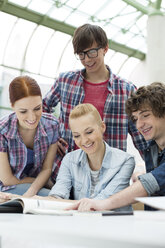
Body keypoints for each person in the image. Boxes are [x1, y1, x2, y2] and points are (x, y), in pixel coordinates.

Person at [43, 23, 147, 182]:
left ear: (105, 48)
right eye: (81, 54)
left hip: (108, 177)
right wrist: (52, 136)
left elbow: (142, 140)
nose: (86, 60)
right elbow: (42, 108)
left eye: (91, 52)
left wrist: (155, 175)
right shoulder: (65, 81)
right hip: (68, 173)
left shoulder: (127, 90)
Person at [0, 103, 135, 210]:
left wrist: (48, 201)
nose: (84, 140)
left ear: (102, 127)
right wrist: (15, 198)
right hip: (83, 226)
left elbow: (100, 204)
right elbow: (56, 197)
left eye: (89, 132)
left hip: (114, 228)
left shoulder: (125, 161)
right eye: (77, 135)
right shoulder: (70, 160)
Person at [67, 82, 165, 211]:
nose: (139, 125)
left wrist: (101, 204)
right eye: (135, 119)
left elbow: (151, 182)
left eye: (145, 116)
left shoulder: (126, 160)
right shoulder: (151, 148)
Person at [0, 76, 59, 197]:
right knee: (50, 197)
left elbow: (47, 169)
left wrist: (33, 190)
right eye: (23, 111)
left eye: (37, 108)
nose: (32, 117)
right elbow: (7, 180)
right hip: (6, 188)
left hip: (36, 185)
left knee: (54, 197)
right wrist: (41, 183)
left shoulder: (52, 125)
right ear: (12, 106)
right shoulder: (2, 130)